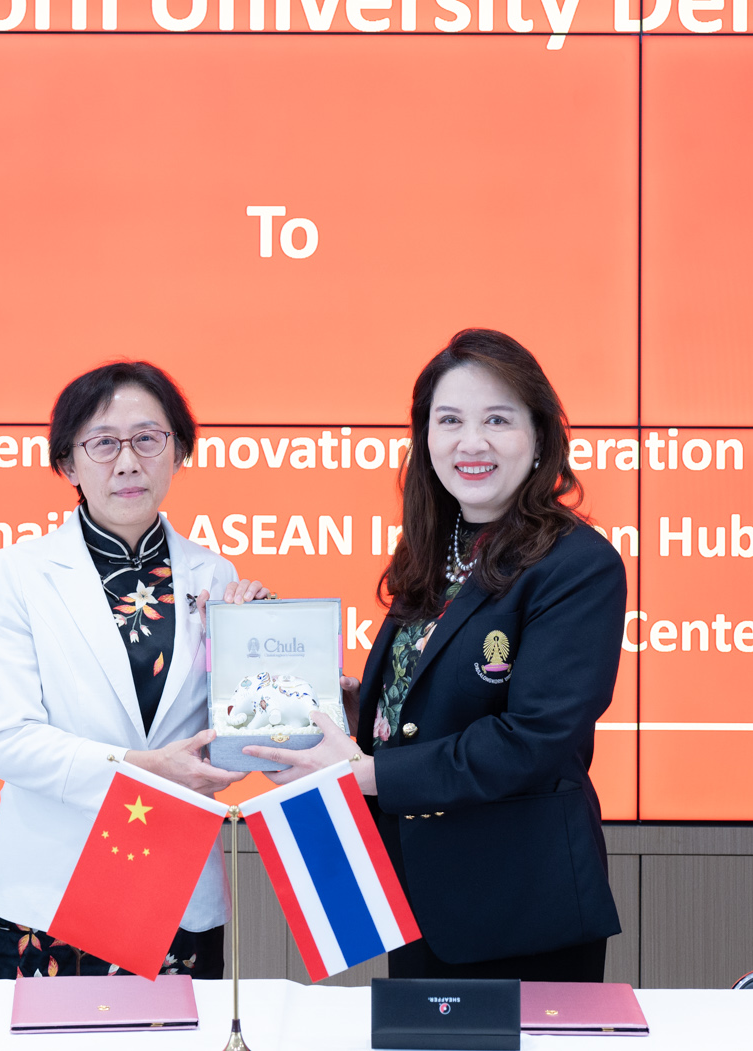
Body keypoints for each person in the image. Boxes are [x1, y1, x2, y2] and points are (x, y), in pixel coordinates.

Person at [248, 328, 625, 980]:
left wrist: (368, 773)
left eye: (497, 420)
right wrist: (352, 708)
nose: (470, 441)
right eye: (449, 420)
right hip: (419, 892)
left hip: (519, 905)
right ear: (425, 437)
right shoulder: (439, 549)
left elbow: (533, 738)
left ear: (539, 437)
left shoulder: (579, 565)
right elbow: (429, 700)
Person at [0, 361, 271, 978]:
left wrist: (261, 652)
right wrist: (144, 770)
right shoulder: (17, 574)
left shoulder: (216, 577)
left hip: (175, 882)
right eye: (103, 443)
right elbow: (10, 743)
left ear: (178, 451)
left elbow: (236, 740)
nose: (127, 462)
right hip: (53, 887)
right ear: (68, 463)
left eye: (148, 439)